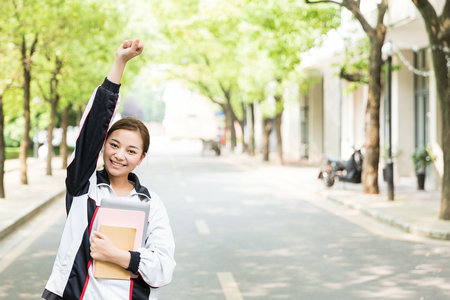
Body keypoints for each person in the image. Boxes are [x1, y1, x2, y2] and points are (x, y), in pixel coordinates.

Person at [42, 40, 176, 300]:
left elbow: (163, 268)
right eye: (114, 145)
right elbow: (92, 128)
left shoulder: (151, 204)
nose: (119, 154)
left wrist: (117, 256)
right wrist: (120, 63)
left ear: (141, 158)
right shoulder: (85, 187)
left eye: (131, 151)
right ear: (103, 146)